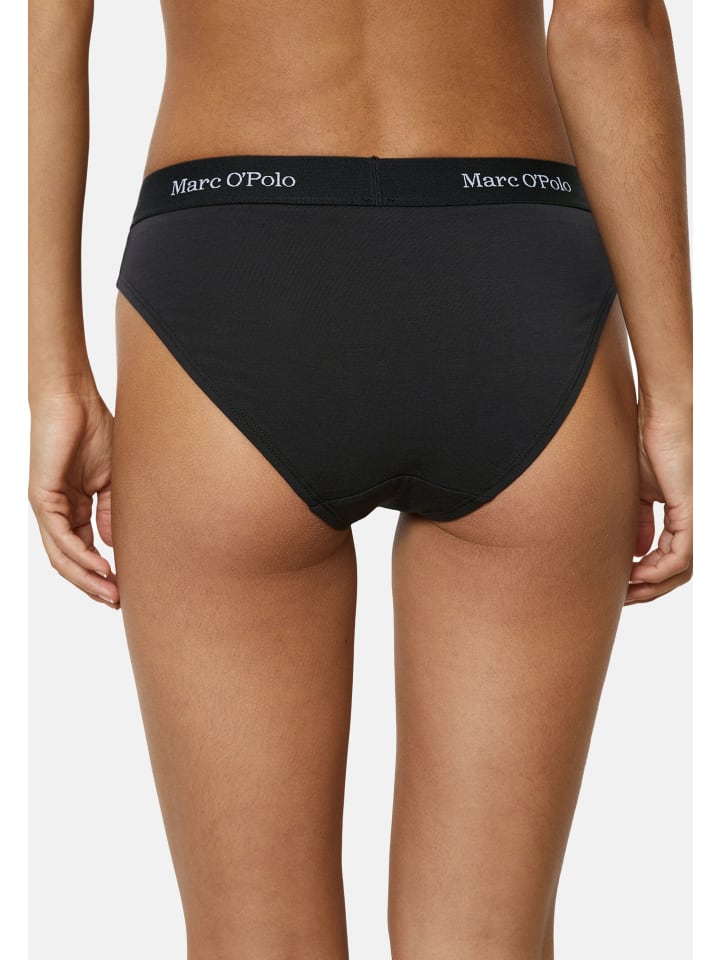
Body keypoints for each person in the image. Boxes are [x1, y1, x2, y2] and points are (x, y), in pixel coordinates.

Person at [28, 0, 692, 956]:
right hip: (513, 261)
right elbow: (607, 22)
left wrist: (56, 379)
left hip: (236, 260)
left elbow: (53, 25)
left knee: (255, 941)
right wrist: (672, 395)